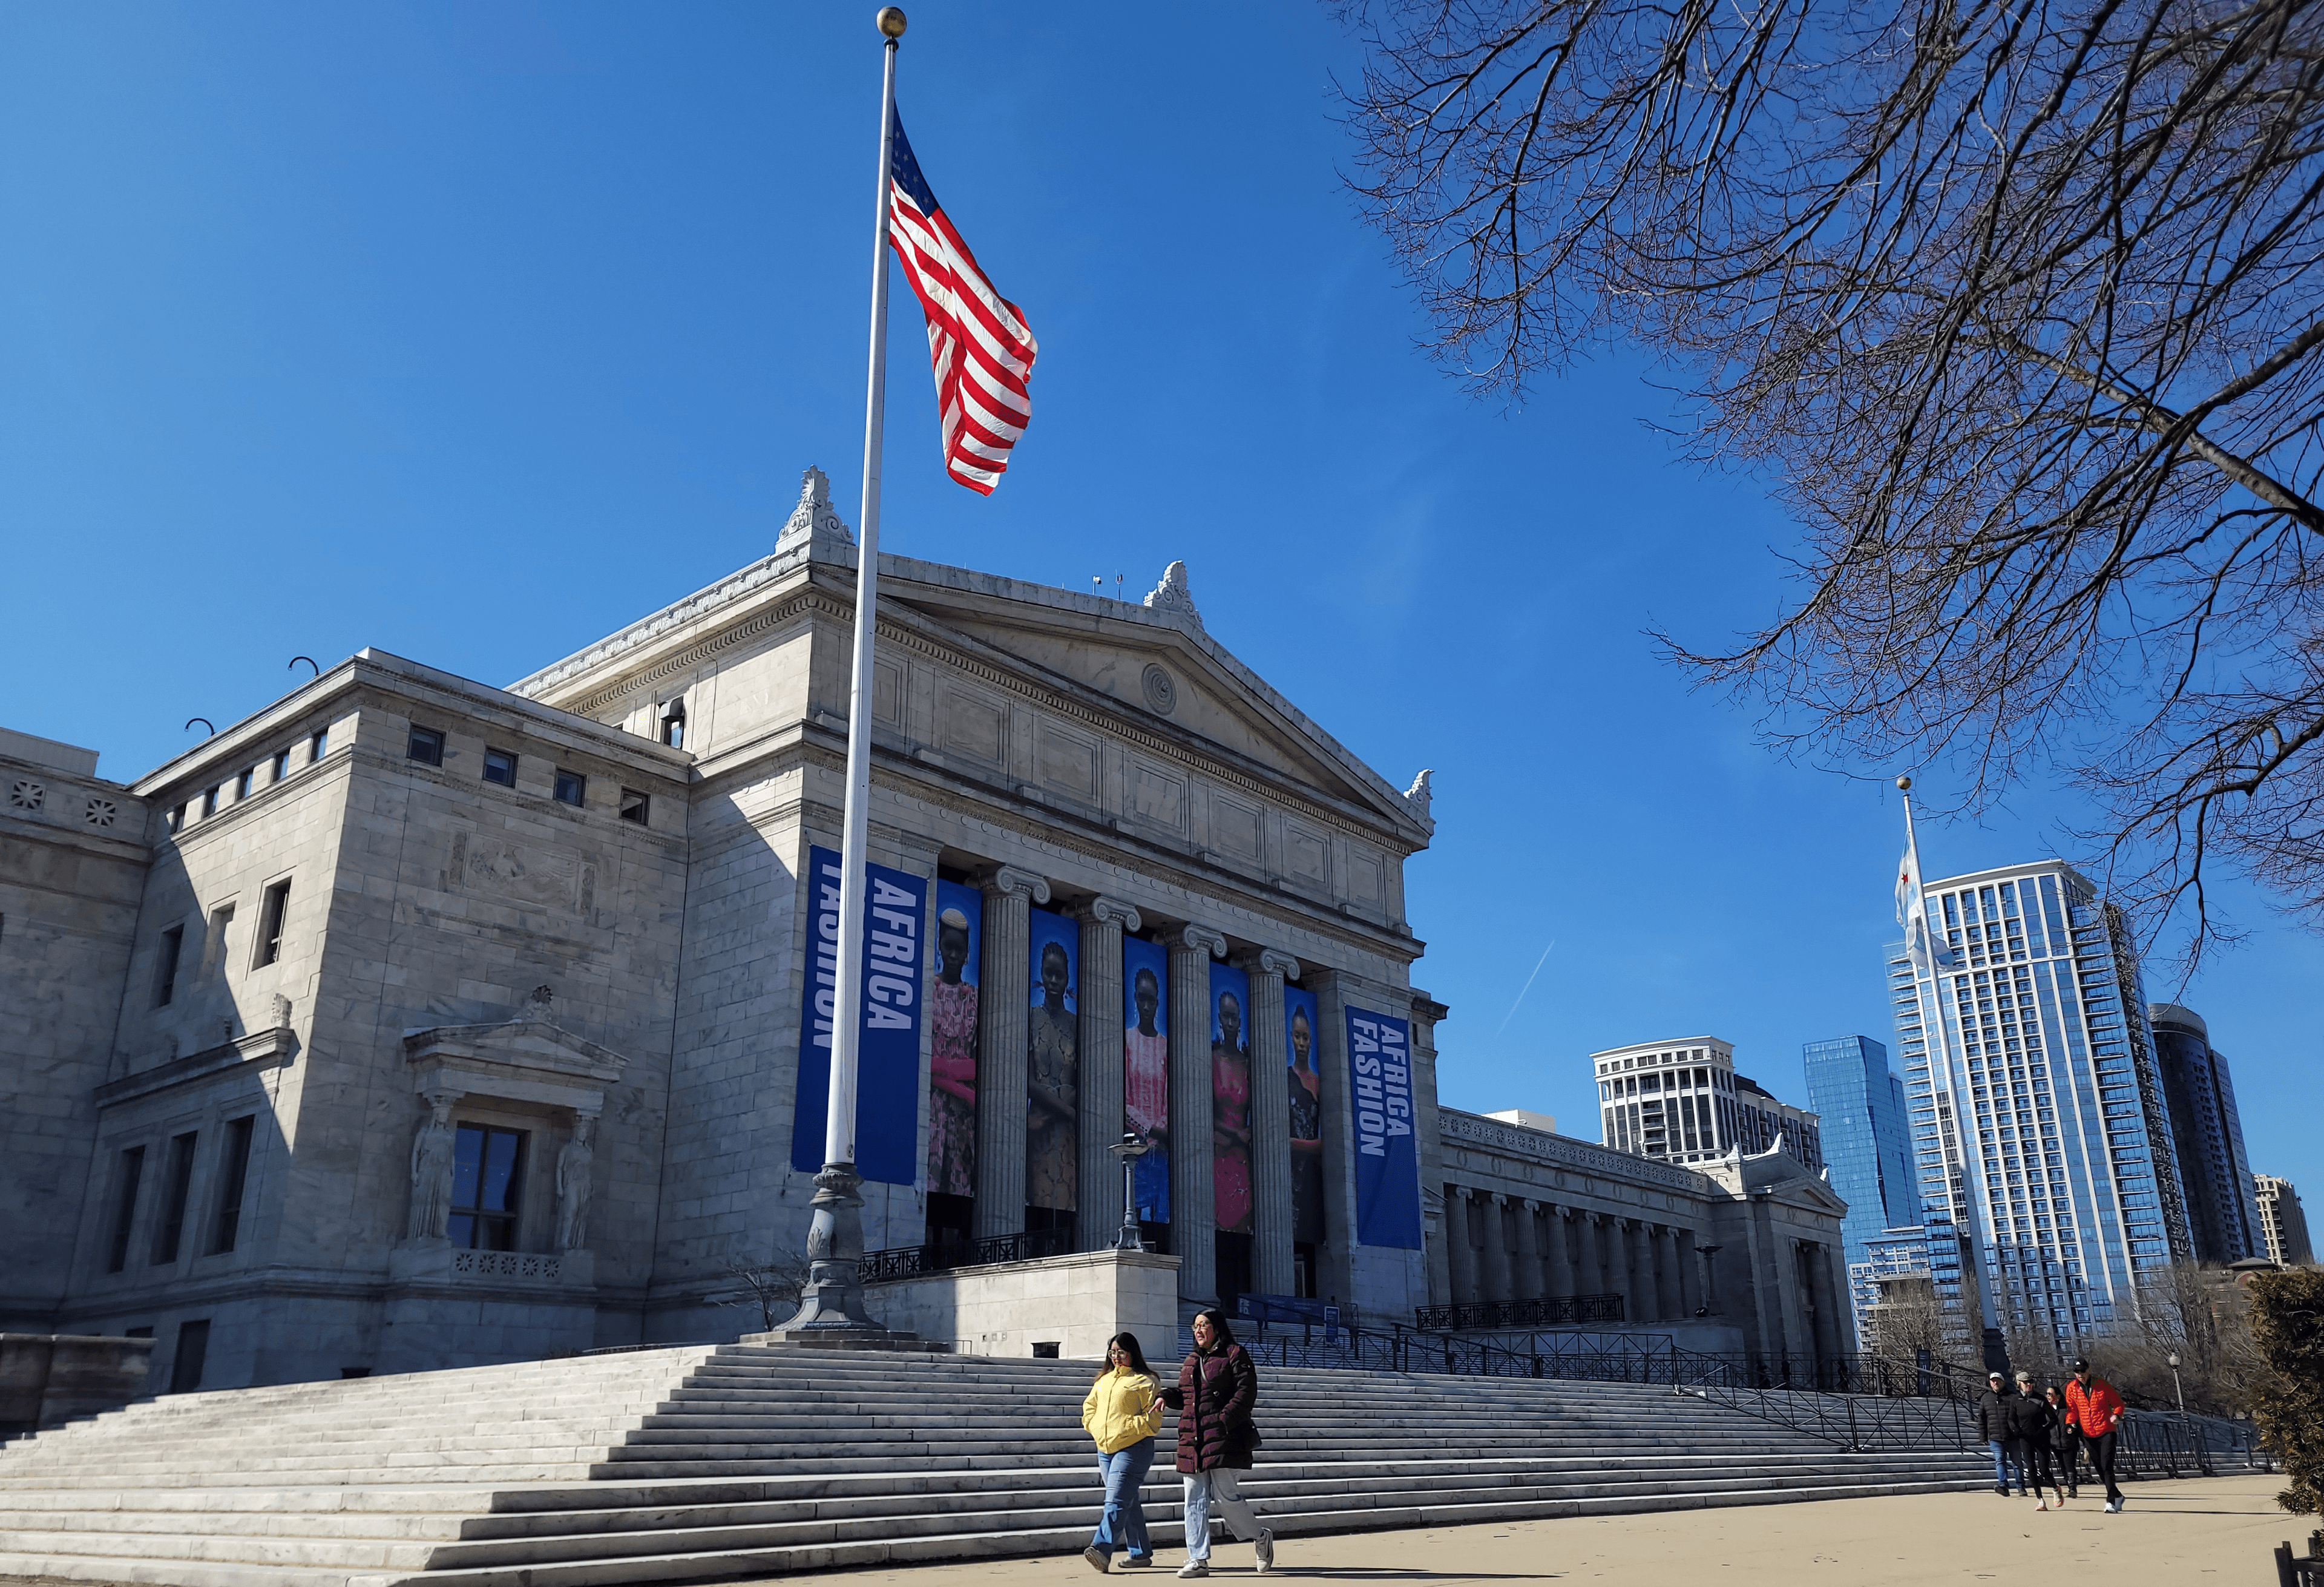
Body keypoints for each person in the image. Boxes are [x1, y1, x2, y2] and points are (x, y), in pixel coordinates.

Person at [1160, 1309, 1273, 1577]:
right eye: (1195, 1326)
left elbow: (1247, 1391)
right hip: (1193, 1440)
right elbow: (1187, 1397)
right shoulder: (1191, 1360)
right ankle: (1197, 1559)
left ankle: (1259, 1537)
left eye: (1204, 1325)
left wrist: (1225, 1419)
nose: (1198, 1331)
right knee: (1194, 1500)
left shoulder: (1234, 1354)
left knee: (1227, 1499)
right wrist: (1166, 1396)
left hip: (1224, 1437)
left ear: (1217, 1328)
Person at [1081, 1332, 1164, 1574]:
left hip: (1134, 1448)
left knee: (1116, 1500)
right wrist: (1095, 1427)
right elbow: (1089, 1408)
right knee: (1127, 1500)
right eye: (1112, 1352)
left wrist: (1123, 1428)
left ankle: (1101, 1549)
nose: (1116, 1357)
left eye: (1121, 1352)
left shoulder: (1147, 1381)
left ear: (1132, 1353)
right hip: (1105, 1449)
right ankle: (1140, 1553)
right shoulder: (1103, 1381)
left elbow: (1153, 1422)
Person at [927, 908, 979, 1198]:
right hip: (931, 1110)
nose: (954, 955)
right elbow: (922, 1061)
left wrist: (942, 1071)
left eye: (960, 949)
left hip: (964, 1118)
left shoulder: (974, 998)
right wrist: (960, 1088)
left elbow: (979, 1065)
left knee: (959, 1193)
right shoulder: (927, 991)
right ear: (940, 946)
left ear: (968, 951)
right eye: (949, 947)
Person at [1028, 939, 1078, 1214]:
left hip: (1065, 1132)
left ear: (1068, 977)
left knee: (1069, 1205)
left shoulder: (1076, 1024)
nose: (1054, 980)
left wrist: (1057, 1116)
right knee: (1040, 1204)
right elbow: (1026, 1080)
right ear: (1042, 974)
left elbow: (1085, 1080)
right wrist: (1061, 1112)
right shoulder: (1031, 1017)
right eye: (1049, 973)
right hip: (1038, 1131)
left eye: (1060, 975)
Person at [1124, 966, 1170, 1223]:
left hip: (1162, 1155)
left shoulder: (1166, 1046)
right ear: (1135, 999)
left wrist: (1164, 1131)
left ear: (1157, 1002)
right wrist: (1152, 1129)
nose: (1145, 1005)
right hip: (1135, 1154)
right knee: (1133, 1219)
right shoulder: (1128, 1040)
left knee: (1161, 1220)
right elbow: (1125, 1102)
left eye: (1150, 1000)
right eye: (1141, 998)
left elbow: (1168, 1099)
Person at [2063, 1357, 2128, 1513]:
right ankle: (2117, 1495)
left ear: (2088, 1371)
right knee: (2099, 1468)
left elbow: (2118, 1404)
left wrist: (2117, 1415)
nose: (2080, 1374)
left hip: (2106, 1430)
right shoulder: (2071, 1388)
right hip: (2088, 1433)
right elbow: (2072, 1410)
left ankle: (2110, 1501)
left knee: (2107, 1466)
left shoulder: (2101, 1385)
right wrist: (2070, 1423)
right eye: (2077, 1372)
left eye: (2083, 1371)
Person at [1211, 994, 1252, 1233]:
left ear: (1239, 1023)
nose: (1229, 1023)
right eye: (1225, 1017)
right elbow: (1204, 1112)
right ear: (1219, 1019)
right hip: (1219, 1154)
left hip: (1243, 1159)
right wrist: (1238, 1133)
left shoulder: (1248, 1063)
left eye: (1234, 1018)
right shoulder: (1212, 1060)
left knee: (1243, 1224)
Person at [2005, 1372, 2066, 1510]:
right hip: (2025, 1439)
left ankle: (2056, 1489)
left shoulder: (2040, 1399)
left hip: (2042, 1438)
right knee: (2031, 1469)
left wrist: (2043, 1429)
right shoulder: (2015, 1400)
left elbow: (2053, 1419)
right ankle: (2041, 1501)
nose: (2028, 1385)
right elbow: (2011, 1419)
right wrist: (2016, 1430)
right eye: (2025, 1383)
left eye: (2030, 1382)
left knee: (2044, 1470)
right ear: (2019, 1384)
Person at [1974, 1371, 2026, 1495]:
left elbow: (2020, 1415)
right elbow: (1982, 1418)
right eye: (1993, 1381)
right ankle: (2003, 1485)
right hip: (1995, 1436)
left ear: (2003, 1382)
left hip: (2013, 1436)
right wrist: (1983, 1436)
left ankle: (2021, 1486)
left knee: (2017, 1463)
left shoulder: (2013, 1396)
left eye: (1997, 1381)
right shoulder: (1986, 1398)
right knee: (2000, 1461)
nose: (1995, 1383)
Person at [2046, 1384, 2081, 1499]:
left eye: (2050, 1394)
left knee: (2070, 1465)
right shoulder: (2046, 1410)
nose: (2048, 1396)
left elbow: (2077, 1423)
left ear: (2058, 1396)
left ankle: (2072, 1487)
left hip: (2069, 1442)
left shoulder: (2067, 1408)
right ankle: (2068, 1484)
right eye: (2047, 1394)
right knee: (2062, 1466)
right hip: (2055, 1443)